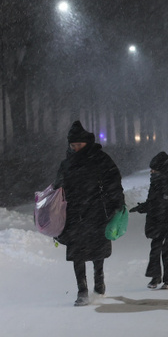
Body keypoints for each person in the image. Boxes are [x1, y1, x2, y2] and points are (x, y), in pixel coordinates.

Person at [54, 121, 124, 306]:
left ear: (87, 142)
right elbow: (58, 185)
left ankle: (99, 280)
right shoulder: (67, 163)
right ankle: (82, 290)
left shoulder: (100, 159)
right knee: (77, 252)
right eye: (73, 145)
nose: (76, 148)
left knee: (96, 249)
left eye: (79, 145)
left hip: (97, 211)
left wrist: (117, 203)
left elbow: (113, 181)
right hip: (74, 213)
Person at [130, 152, 168, 289]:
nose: (151, 172)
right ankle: (156, 277)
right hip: (160, 223)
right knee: (155, 251)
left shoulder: (167, 185)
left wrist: (152, 210)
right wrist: (143, 207)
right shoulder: (156, 183)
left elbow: (163, 204)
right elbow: (154, 203)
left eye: (153, 170)